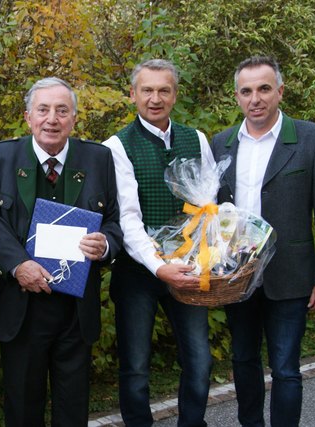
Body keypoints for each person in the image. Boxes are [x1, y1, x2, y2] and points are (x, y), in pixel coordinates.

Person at [0, 77, 123, 426]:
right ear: (28, 117)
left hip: (76, 308)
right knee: (23, 407)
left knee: (73, 408)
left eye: (62, 110)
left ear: (74, 118)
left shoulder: (98, 158)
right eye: (43, 110)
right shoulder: (0, 157)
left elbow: (115, 221)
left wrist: (105, 244)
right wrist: (17, 265)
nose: (52, 119)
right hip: (21, 304)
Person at [211, 56, 315, 427]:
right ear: (237, 97)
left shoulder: (311, 138)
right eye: (247, 91)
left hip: (290, 274)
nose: (256, 98)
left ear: (280, 92)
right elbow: (211, 215)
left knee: (286, 368)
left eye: (264, 89)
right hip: (237, 277)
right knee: (243, 361)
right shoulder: (221, 143)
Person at [102, 59, 215, 427]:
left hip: (191, 267)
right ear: (132, 94)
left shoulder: (195, 138)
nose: (155, 98)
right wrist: (159, 265)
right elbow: (128, 219)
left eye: (163, 90)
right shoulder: (116, 146)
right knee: (135, 367)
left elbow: (211, 205)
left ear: (175, 95)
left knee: (199, 359)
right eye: (147, 90)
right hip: (138, 272)